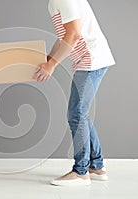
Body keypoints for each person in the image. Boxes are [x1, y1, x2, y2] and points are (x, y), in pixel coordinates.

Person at [34, 0, 115, 186]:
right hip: (88, 60)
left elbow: (74, 34)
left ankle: (81, 172)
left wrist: (52, 65)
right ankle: (96, 165)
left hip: (91, 59)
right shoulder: (54, 3)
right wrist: (48, 60)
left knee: (76, 114)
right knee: (82, 115)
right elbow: (64, 37)